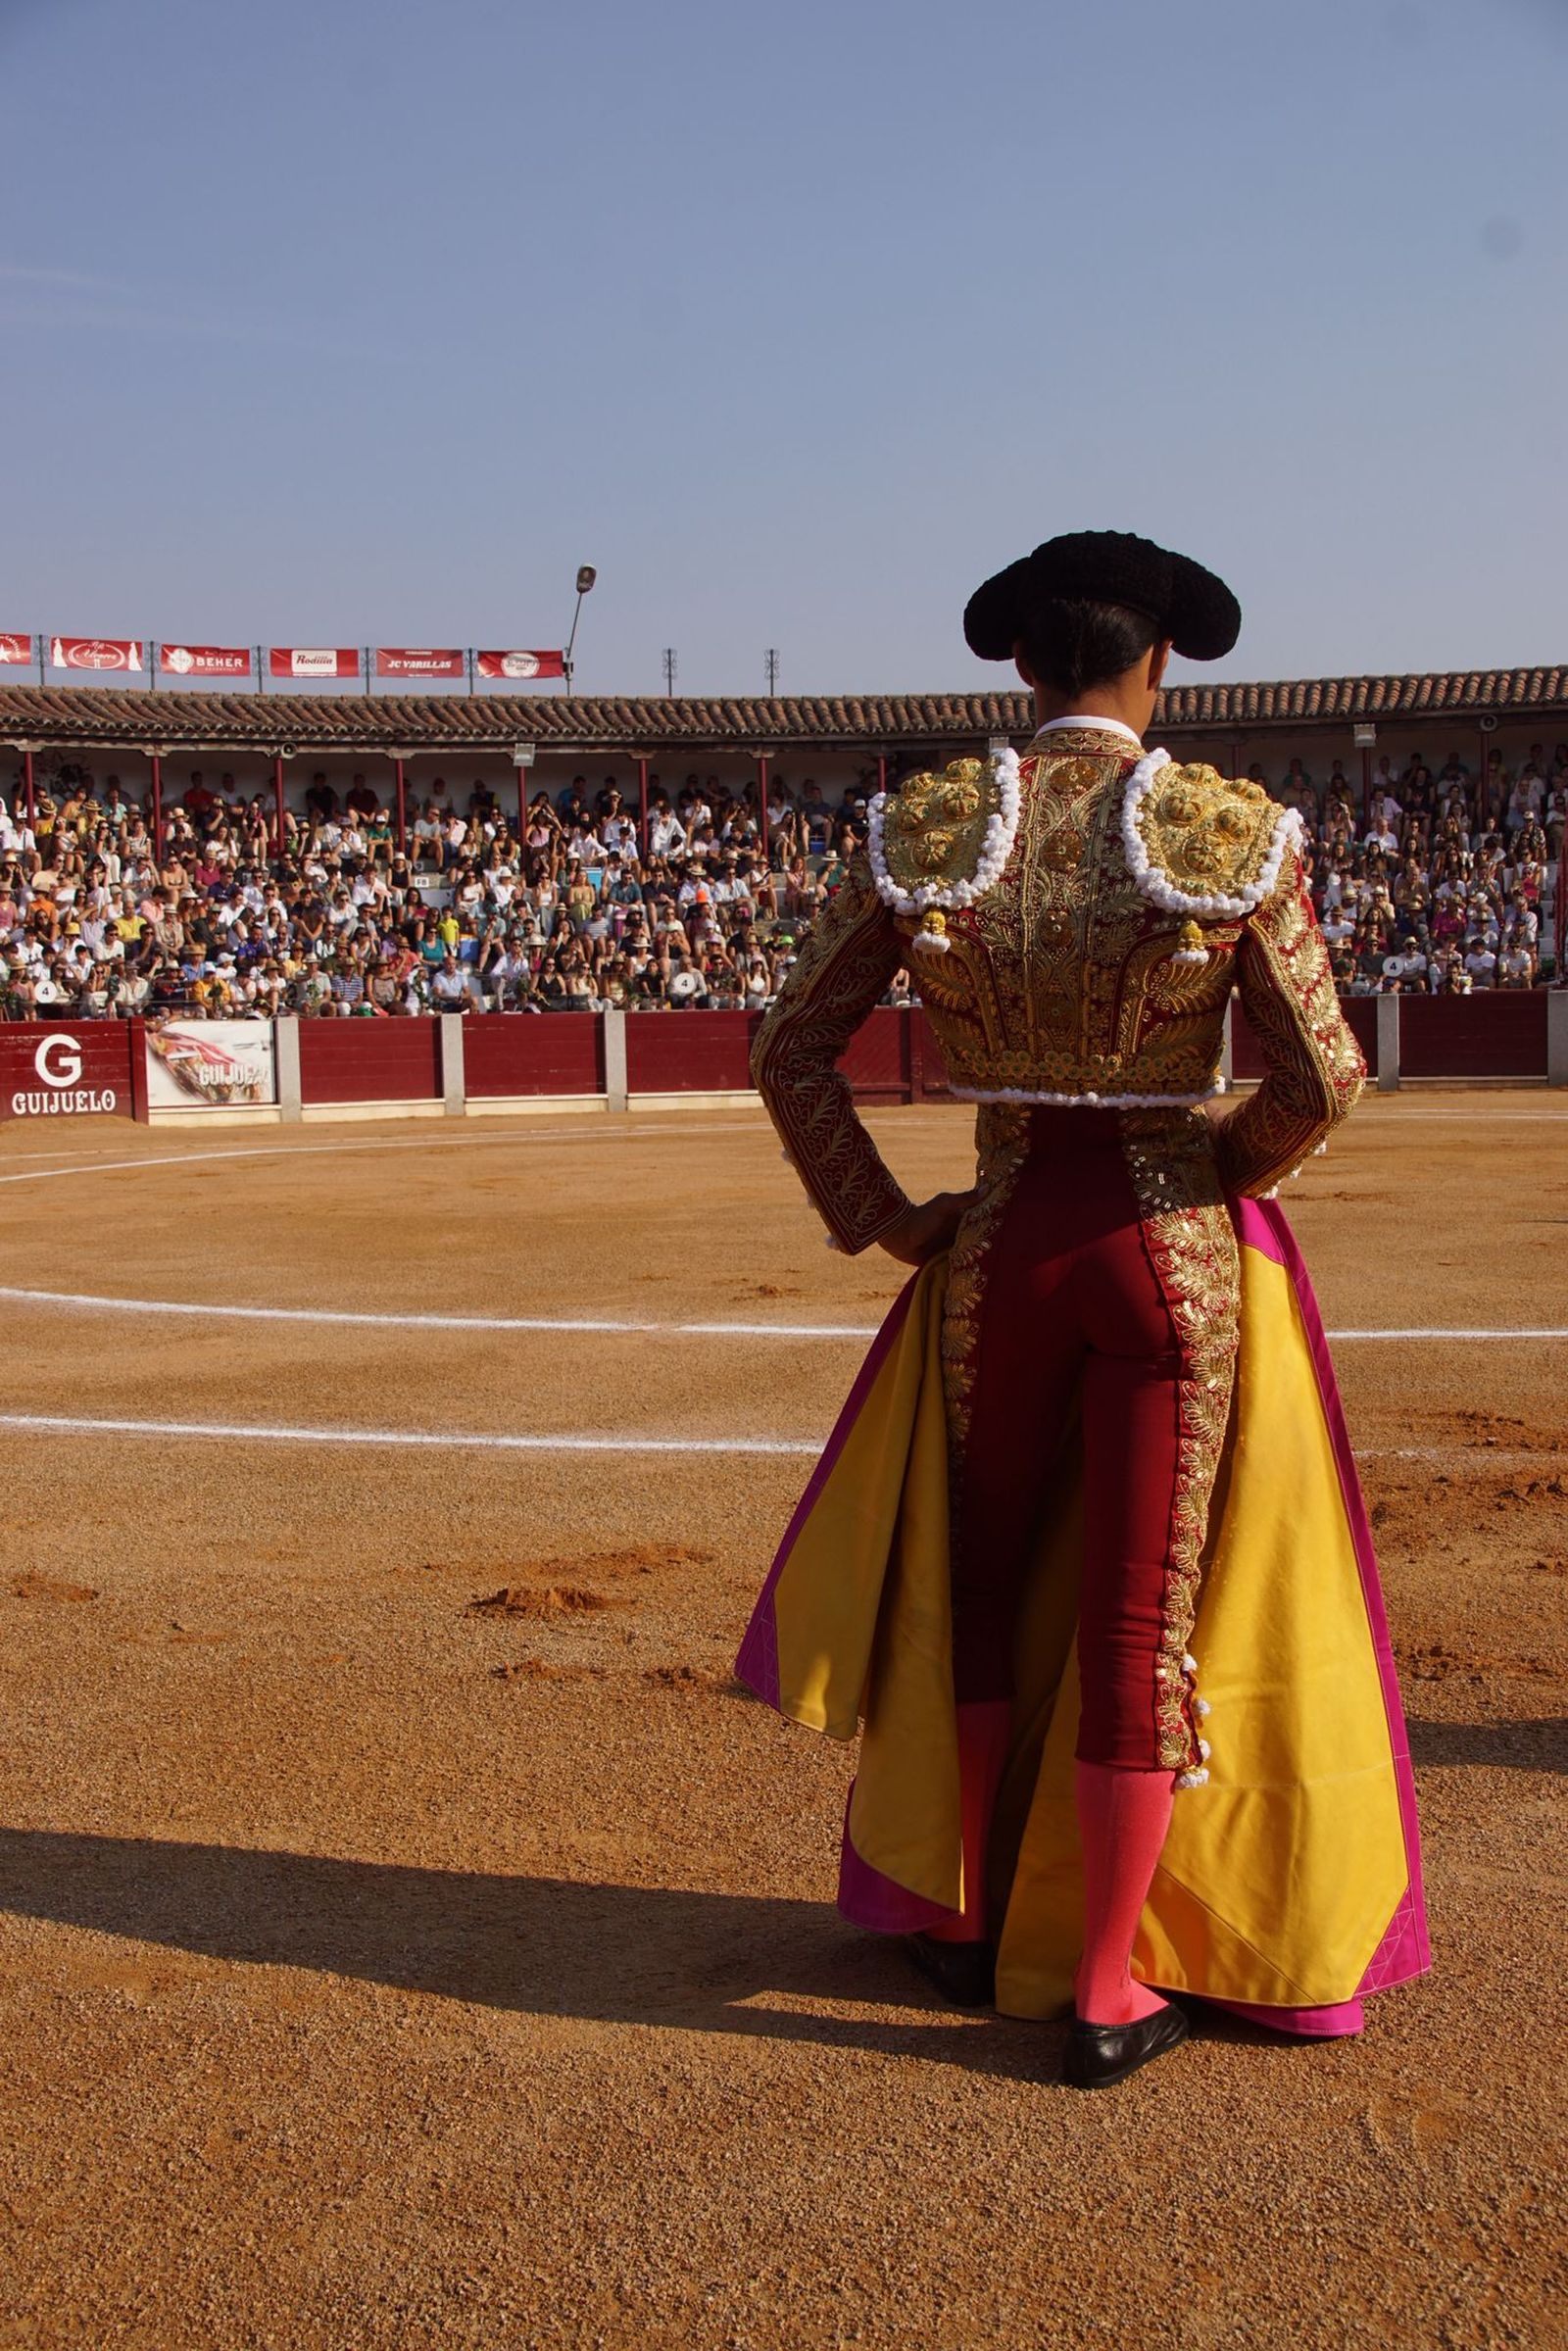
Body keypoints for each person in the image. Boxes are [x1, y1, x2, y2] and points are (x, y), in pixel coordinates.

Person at [738, 528, 1427, 2089]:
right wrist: (1215, 1181)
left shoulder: (930, 827)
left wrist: (890, 1216)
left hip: (998, 1252)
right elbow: (1325, 1075)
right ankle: (1106, 1985)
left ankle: (975, 1923)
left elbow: (789, 1049)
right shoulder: (1224, 829)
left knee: (983, 1586)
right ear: (1161, 664)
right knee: (1140, 1623)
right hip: (1160, 1253)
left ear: (1019, 666)